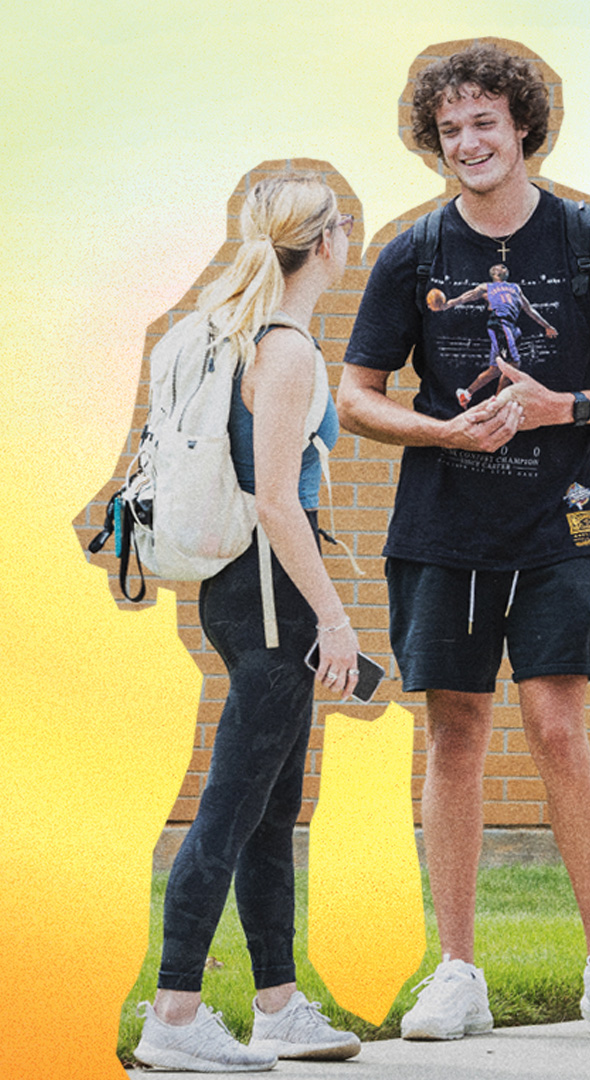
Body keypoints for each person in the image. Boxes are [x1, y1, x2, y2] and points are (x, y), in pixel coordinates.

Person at [337, 41, 590, 1041]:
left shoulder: (589, 241)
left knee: (558, 724)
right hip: (442, 524)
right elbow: (355, 394)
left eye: (484, 123)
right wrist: (438, 429)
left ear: (524, 125)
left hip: (559, 519)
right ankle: (456, 970)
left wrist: (562, 404)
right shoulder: (412, 252)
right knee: (453, 734)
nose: (467, 144)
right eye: (449, 131)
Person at [132, 173, 362, 1071]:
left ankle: (278, 1007)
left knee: (270, 809)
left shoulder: (236, 332)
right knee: (229, 807)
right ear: (327, 242)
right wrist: (335, 620)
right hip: (272, 593)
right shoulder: (287, 347)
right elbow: (276, 500)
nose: (350, 236)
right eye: (345, 225)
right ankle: (175, 1017)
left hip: (240, 590)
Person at [435, 262, 558, 407]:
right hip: (500, 323)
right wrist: (447, 304)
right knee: (513, 364)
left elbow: (529, 309)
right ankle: (498, 403)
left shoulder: (515, 288)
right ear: (492, 272)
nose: (502, 267)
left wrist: (547, 326)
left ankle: (466, 392)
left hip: (510, 326)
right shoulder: (486, 287)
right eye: (499, 266)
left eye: (504, 266)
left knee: (495, 370)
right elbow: (465, 297)